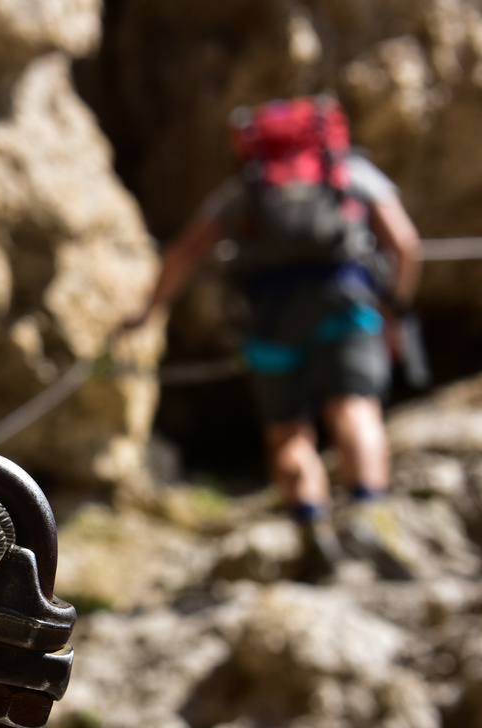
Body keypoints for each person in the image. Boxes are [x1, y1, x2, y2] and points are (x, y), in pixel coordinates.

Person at [122, 95, 422, 579]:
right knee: (354, 407)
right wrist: (394, 308)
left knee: (287, 431)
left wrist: (148, 311)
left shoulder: (249, 187)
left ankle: (311, 528)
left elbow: (182, 254)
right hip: (348, 307)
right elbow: (404, 243)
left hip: (270, 319)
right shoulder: (347, 172)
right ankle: (369, 517)